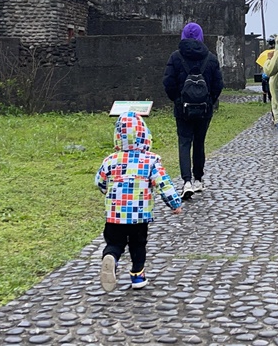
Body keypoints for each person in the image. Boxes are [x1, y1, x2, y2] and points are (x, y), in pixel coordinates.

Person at [96, 111, 183, 291]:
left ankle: (111, 256)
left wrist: (107, 190)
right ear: (145, 135)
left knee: (114, 242)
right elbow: (163, 184)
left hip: (115, 215)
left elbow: (100, 181)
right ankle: (137, 275)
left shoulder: (110, 160)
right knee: (138, 244)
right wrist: (174, 204)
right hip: (139, 215)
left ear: (118, 137)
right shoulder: (150, 161)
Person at [163, 22, 224, 200]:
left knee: (184, 142)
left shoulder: (175, 57)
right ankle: (198, 179)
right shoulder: (211, 58)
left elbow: (168, 82)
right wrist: (209, 101)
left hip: (183, 109)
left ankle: (186, 181)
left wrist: (177, 100)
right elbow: (218, 84)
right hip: (204, 109)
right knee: (199, 142)